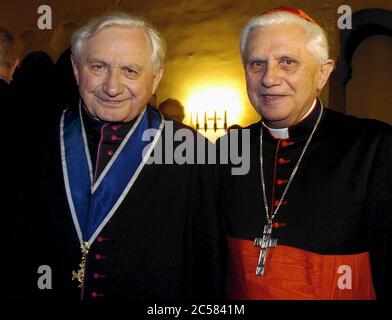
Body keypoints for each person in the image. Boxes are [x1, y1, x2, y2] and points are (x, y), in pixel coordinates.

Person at [27, 12, 225, 300]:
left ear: (155, 78)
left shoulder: (193, 151)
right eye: (98, 66)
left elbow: (206, 264)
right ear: (75, 69)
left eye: (130, 71)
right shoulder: (31, 142)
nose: (112, 87)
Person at [219, 7, 391, 300]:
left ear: (322, 73)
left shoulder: (375, 147)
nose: (269, 78)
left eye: (287, 62)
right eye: (256, 63)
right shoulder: (226, 151)